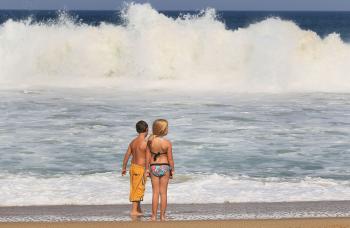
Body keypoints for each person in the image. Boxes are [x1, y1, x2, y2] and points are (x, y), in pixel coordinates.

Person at [145, 119, 175, 221]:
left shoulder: (150, 141)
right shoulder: (167, 143)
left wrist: (147, 169)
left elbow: (148, 156)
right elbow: (170, 158)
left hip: (153, 166)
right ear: (164, 130)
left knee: (155, 193)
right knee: (163, 193)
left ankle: (153, 216)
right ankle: (162, 216)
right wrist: (172, 170)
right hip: (165, 166)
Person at [122, 120, 149, 216]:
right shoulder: (145, 143)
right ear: (147, 129)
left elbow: (127, 155)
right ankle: (133, 210)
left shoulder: (133, 142)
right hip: (141, 168)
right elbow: (148, 158)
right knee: (139, 188)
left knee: (135, 187)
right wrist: (147, 169)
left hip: (132, 167)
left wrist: (124, 167)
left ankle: (138, 209)